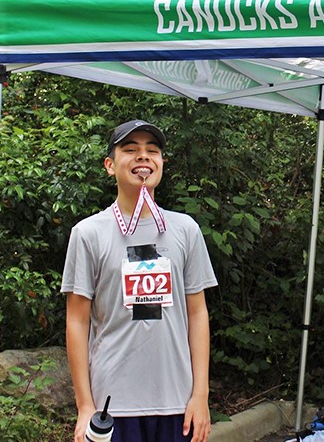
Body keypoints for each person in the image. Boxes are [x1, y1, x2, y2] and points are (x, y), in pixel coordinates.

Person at [62, 120, 218, 442]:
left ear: (162, 163)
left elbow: (197, 313)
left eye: (152, 151)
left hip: (177, 402)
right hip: (112, 404)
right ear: (110, 165)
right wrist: (84, 405)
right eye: (130, 150)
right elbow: (77, 321)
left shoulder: (185, 229)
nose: (143, 157)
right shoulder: (88, 233)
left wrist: (200, 396)